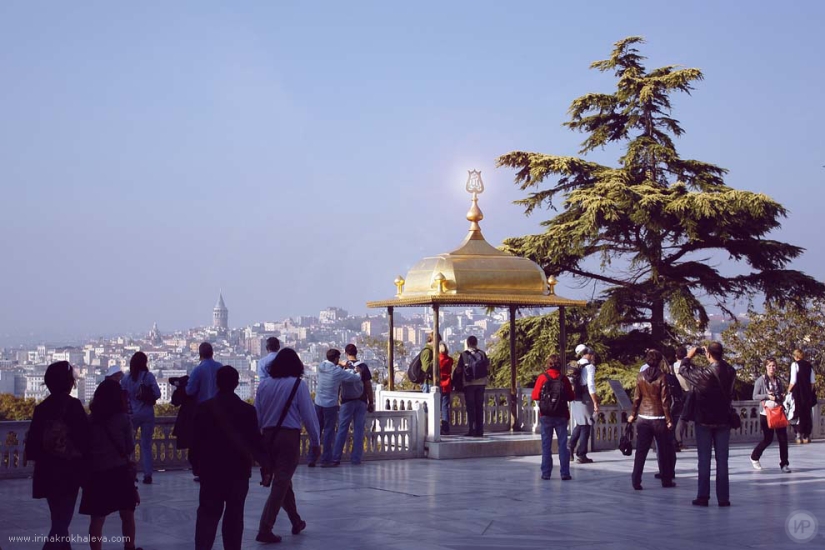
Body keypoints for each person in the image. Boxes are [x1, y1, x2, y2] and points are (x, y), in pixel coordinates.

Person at [190, 366, 267, 550]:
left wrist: (196, 466)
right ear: (236, 383)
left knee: (208, 516)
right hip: (238, 471)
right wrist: (265, 466)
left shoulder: (204, 409)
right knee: (234, 516)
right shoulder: (247, 411)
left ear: (217, 383)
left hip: (211, 471)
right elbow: (255, 442)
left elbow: (195, 442)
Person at [255, 348, 321, 544]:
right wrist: (316, 442)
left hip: (267, 436)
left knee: (283, 481)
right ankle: (265, 528)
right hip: (288, 437)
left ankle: (296, 520)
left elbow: (257, 416)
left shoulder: (263, 385)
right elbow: (309, 416)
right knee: (281, 482)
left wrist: (257, 443)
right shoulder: (297, 385)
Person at [25, 361, 90, 550]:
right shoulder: (74, 406)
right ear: (68, 382)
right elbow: (84, 440)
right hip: (69, 471)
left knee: (58, 519)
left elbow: (33, 445)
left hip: (46, 471)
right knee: (61, 523)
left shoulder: (42, 408)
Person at [80, 379, 142, 550]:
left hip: (97, 473)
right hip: (119, 472)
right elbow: (129, 447)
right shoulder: (123, 419)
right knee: (127, 516)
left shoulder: (90, 420)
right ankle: (129, 547)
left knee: (97, 520)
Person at [678, 342, 737, 507]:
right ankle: (723, 498)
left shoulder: (705, 374)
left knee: (704, 459)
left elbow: (683, 370)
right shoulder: (731, 371)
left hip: (704, 421)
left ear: (709, 354)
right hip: (724, 420)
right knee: (722, 460)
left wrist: (689, 356)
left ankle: (703, 496)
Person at [627, 349, 675, 490]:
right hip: (659, 418)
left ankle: (636, 480)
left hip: (643, 417)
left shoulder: (640, 376)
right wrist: (669, 420)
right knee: (664, 450)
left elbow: (636, 398)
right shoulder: (662, 377)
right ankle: (666, 480)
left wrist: (633, 414)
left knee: (641, 451)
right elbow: (665, 401)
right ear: (659, 361)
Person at [307, 348, 361, 467]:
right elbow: (354, 378)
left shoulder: (321, 366)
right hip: (330, 405)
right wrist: (357, 371)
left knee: (316, 432)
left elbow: (333, 365)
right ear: (336, 358)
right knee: (328, 433)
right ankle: (325, 459)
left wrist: (340, 364)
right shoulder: (337, 372)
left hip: (318, 403)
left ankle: (311, 458)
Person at [531, 354, 575, 480]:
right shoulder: (564, 379)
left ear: (548, 364)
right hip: (561, 415)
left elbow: (535, 396)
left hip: (546, 415)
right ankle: (565, 473)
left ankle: (546, 473)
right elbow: (571, 396)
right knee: (562, 445)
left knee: (546, 445)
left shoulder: (542, 378)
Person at [120, 352, 160, 484]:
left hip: (131, 415)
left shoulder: (126, 379)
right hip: (147, 413)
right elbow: (157, 394)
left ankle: (129, 473)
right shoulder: (148, 377)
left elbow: (123, 396)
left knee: (129, 445)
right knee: (146, 445)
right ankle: (147, 474)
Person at [332, 344, 375, 465]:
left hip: (346, 401)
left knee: (342, 430)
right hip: (361, 401)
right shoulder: (363, 366)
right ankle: (356, 458)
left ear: (346, 353)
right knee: (359, 431)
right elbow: (368, 385)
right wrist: (371, 402)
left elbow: (337, 384)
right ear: (356, 353)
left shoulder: (343, 367)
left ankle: (336, 458)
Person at [750, 358, 791, 472]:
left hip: (778, 411)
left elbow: (781, 394)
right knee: (768, 439)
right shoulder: (761, 380)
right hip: (766, 413)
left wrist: (781, 396)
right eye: (769, 366)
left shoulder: (778, 381)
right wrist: (768, 396)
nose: (772, 368)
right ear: (766, 367)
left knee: (783, 438)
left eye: (773, 366)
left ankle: (784, 464)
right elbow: (755, 396)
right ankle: (755, 456)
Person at [568, 344, 600, 463]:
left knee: (581, 424)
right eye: (592, 355)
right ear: (588, 354)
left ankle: (570, 447)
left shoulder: (576, 364)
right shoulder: (589, 367)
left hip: (575, 397)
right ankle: (581, 454)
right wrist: (595, 402)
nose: (593, 357)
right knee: (586, 425)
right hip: (585, 397)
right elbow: (590, 385)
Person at [457, 336, 489, 437]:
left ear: (467, 343)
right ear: (476, 342)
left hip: (469, 383)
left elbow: (459, 369)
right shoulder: (482, 353)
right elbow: (487, 367)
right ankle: (480, 430)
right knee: (479, 407)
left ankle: (472, 429)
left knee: (471, 408)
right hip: (481, 383)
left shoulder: (464, 354)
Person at [787, 349, 817, 444]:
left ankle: (798, 435)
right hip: (807, 394)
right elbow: (812, 382)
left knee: (796, 414)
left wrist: (788, 391)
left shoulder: (795, 365)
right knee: (807, 414)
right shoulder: (809, 366)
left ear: (795, 356)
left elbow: (793, 381)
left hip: (798, 394)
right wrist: (809, 391)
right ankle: (806, 436)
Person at [672, 346, 692, 450]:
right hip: (688, 393)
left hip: (676, 394)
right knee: (683, 418)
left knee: (676, 417)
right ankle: (679, 441)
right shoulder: (688, 367)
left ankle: (675, 440)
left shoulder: (672, 367)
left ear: (676, 355)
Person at [438, 342, 454, 435]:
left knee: (436, 407)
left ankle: (437, 427)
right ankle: (445, 428)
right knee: (445, 407)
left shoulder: (437, 359)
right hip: (447, 384)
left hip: (438, 384)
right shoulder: (450, 360)